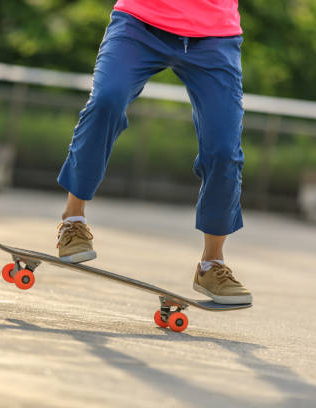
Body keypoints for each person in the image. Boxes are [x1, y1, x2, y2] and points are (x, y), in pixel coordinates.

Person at [55, 0, 252, 304]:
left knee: (224, 151)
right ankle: (73, 221)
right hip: (140, 22)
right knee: (106, 101)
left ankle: (212, 265)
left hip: (215, 36)